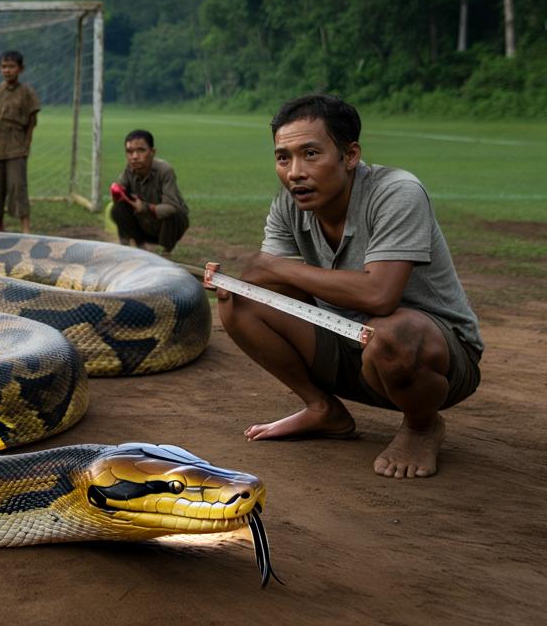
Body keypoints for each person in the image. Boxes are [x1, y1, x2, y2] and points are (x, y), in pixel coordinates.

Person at [217, 94, 482, 479]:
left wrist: (272, 269)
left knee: (391, 333)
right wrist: (237, 283)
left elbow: (380, 295)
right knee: (239, 302)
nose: (294, 172)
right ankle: (322, 409)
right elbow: (265, 280)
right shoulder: (288, 205)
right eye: (283, 157)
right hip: (348, 342)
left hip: (432, 356)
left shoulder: (397, 192)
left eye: (310, 153)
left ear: (351, 155)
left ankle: (423, 425)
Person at [0, 50, 40, 233]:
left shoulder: (27, 93)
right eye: (4, 67)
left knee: (18, 189)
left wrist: (26, 146)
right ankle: (0, 230)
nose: (7, 70)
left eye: (11, 67)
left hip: (16, 148)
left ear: (20, 69)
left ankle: (26, 230)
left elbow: (32, 123)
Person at [108, 129, 189, 254]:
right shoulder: (129, 170)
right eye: (129, 152)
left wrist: (145, 207)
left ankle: (166, 249)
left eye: (141, 150)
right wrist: (117, 194)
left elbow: (171, 207)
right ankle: (132, 246)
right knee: (117, 208)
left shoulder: (164, 171)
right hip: (145, 224)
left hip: (167, 227)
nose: (134, 156)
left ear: (152, 152)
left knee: (174, 213)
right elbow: (120, 194)